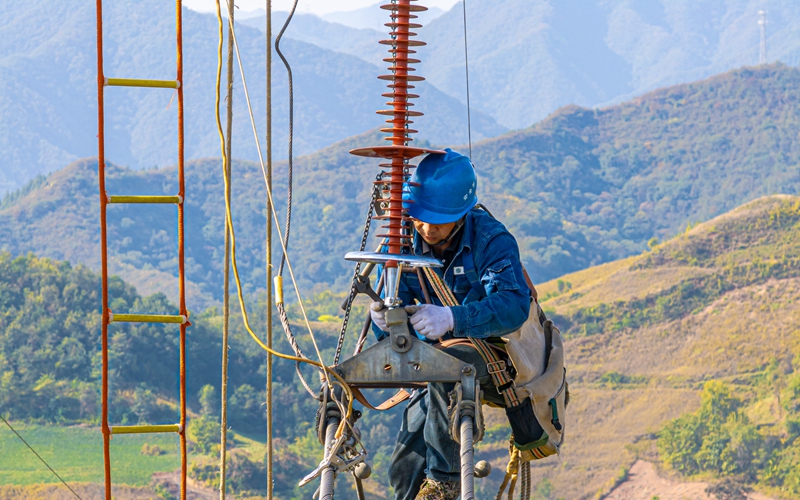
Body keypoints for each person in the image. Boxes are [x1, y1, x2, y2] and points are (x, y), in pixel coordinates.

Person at [370, 148, 537, 500]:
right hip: (429, 365)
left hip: (489, 355)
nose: (428, 229)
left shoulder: (491, 240)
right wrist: (384, 322)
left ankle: (445, 483)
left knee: (449, 370)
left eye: (439, 220)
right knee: (404, 467)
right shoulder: (401, 240)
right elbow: (394, 310)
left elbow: (513, 305)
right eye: (421, 218)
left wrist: (453, 318)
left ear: (461, 215)